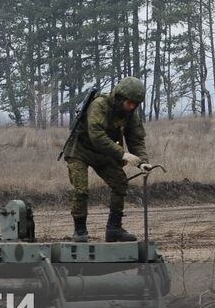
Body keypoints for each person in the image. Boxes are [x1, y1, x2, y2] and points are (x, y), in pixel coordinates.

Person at [61, 77, 152, 242]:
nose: (132, 107)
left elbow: (136, 139)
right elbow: (97, 136)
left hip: (104, 154)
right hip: (80, 151)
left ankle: (114, 229)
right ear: (120, 97)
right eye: (130, 102)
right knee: (81, 190)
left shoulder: (130, 114)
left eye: (135, 104)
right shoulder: (99, 105)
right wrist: (122, 154)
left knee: (120, 183)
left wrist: (142, 161)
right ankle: (80, 231)